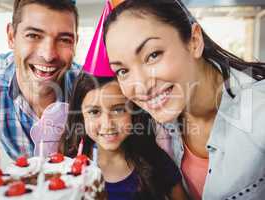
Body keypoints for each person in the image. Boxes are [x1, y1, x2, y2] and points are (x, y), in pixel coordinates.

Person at [103, 0, 265, 199]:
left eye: (153, 55)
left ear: (194, 41)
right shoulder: (153, 121)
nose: (141, 87)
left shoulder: (258, 111)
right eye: (123, 71)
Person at [0, 0, 80, 161]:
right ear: (12, 36)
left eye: (64, 39)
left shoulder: (89, 87)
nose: (48, 55)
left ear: (75, 43)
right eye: (33, 35)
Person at [61, 72, 189, 200]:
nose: (107, 124)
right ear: (81, 117)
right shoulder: (66, 166)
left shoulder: (155, 160)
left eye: (118, 110)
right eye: (94, 112)